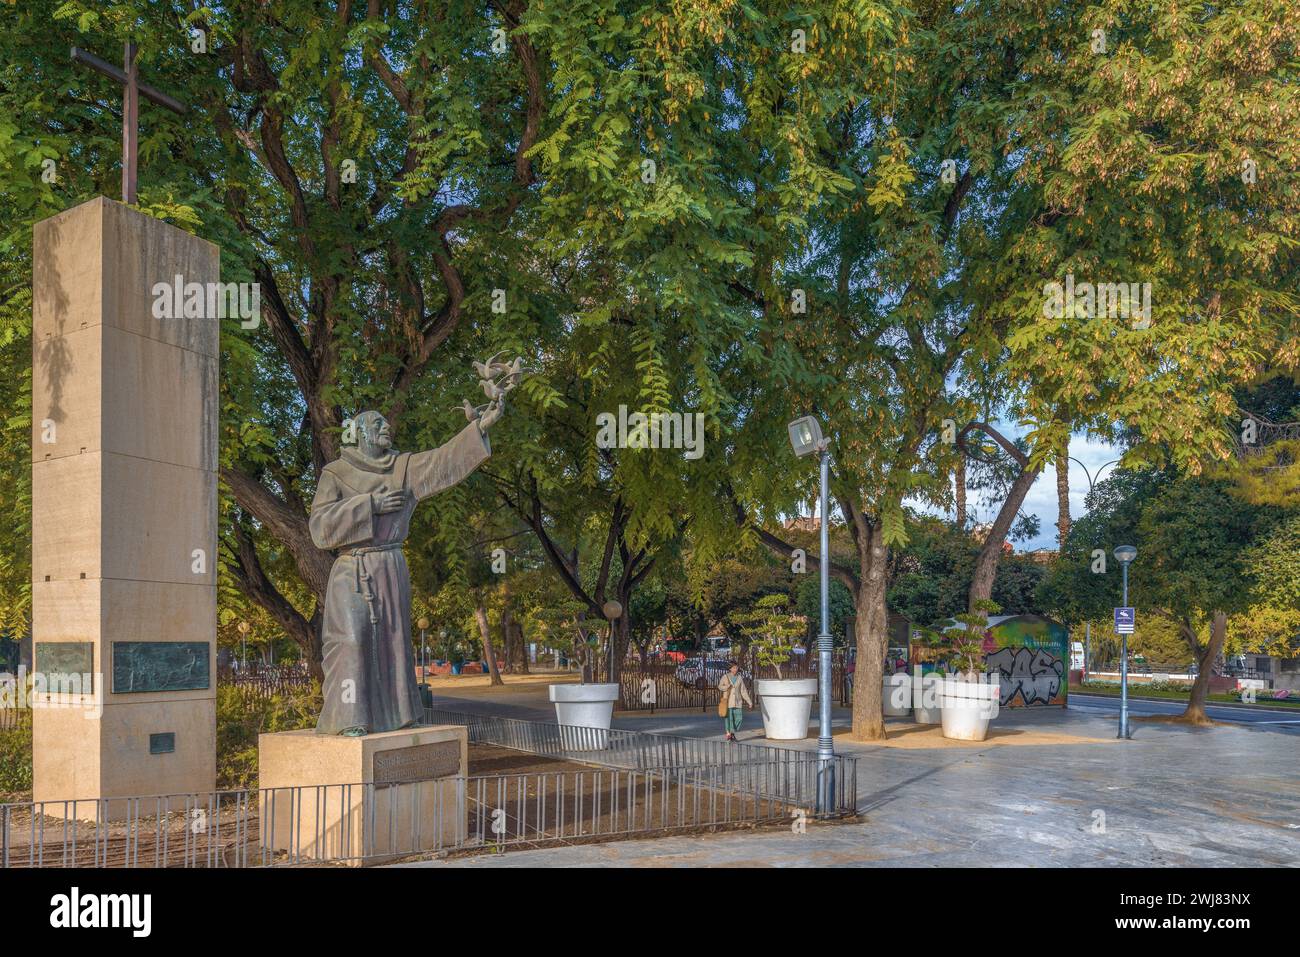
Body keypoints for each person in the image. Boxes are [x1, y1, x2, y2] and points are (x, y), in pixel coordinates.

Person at [717, 662, 752, 741]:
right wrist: (727, 686)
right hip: (728, 702)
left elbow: (743, 691)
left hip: (737, 701)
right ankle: (729, 734)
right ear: (730, 669)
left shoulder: (739, 678)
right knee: (729, 719)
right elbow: (719, 686)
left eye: (736, 668)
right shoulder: (725, 677)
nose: (735, 669)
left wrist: (749, 702)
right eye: (733, 668)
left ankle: (732, 732)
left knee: (739, 718)